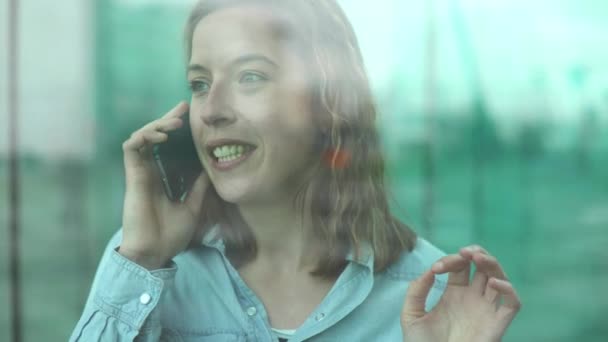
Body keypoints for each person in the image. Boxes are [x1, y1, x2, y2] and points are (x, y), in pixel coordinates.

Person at [70, 0, 521, 341]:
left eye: (250, 77)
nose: (211, 111)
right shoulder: (146, 268)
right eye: (200, 84)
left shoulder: (432, 294)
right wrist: (140, 261)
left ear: (327, 104)